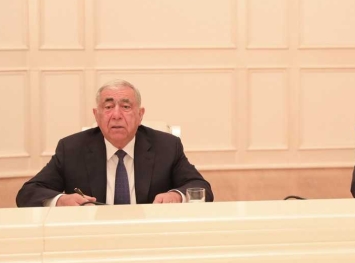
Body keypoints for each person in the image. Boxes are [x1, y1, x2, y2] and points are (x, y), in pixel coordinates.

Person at [17, 80, 213, 207]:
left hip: (151, 236)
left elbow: (201, 188)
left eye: (126, 107)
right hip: (92, 240)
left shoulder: (167, 147)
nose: (116, 115)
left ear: (140, 115)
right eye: (108, 107)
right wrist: (61, 200)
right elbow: (28, 193)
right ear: (97, 115)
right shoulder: (72, 149)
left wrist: (177, 196)